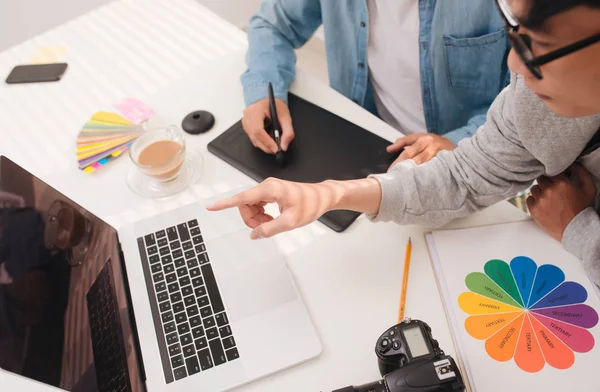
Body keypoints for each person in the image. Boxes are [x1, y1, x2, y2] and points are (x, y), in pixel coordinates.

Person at [208, 0, 600, 286]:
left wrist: (581, 231)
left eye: (538, 48)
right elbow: (467, 175)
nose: (516, 66)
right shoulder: (537, 96)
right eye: (514, 33)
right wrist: (328, 194)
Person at [241, 0, 511, 166]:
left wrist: (460, 142)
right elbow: (272, 24)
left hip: (472, 162)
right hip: (364, 146)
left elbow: (532, 103)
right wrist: (266, 90)